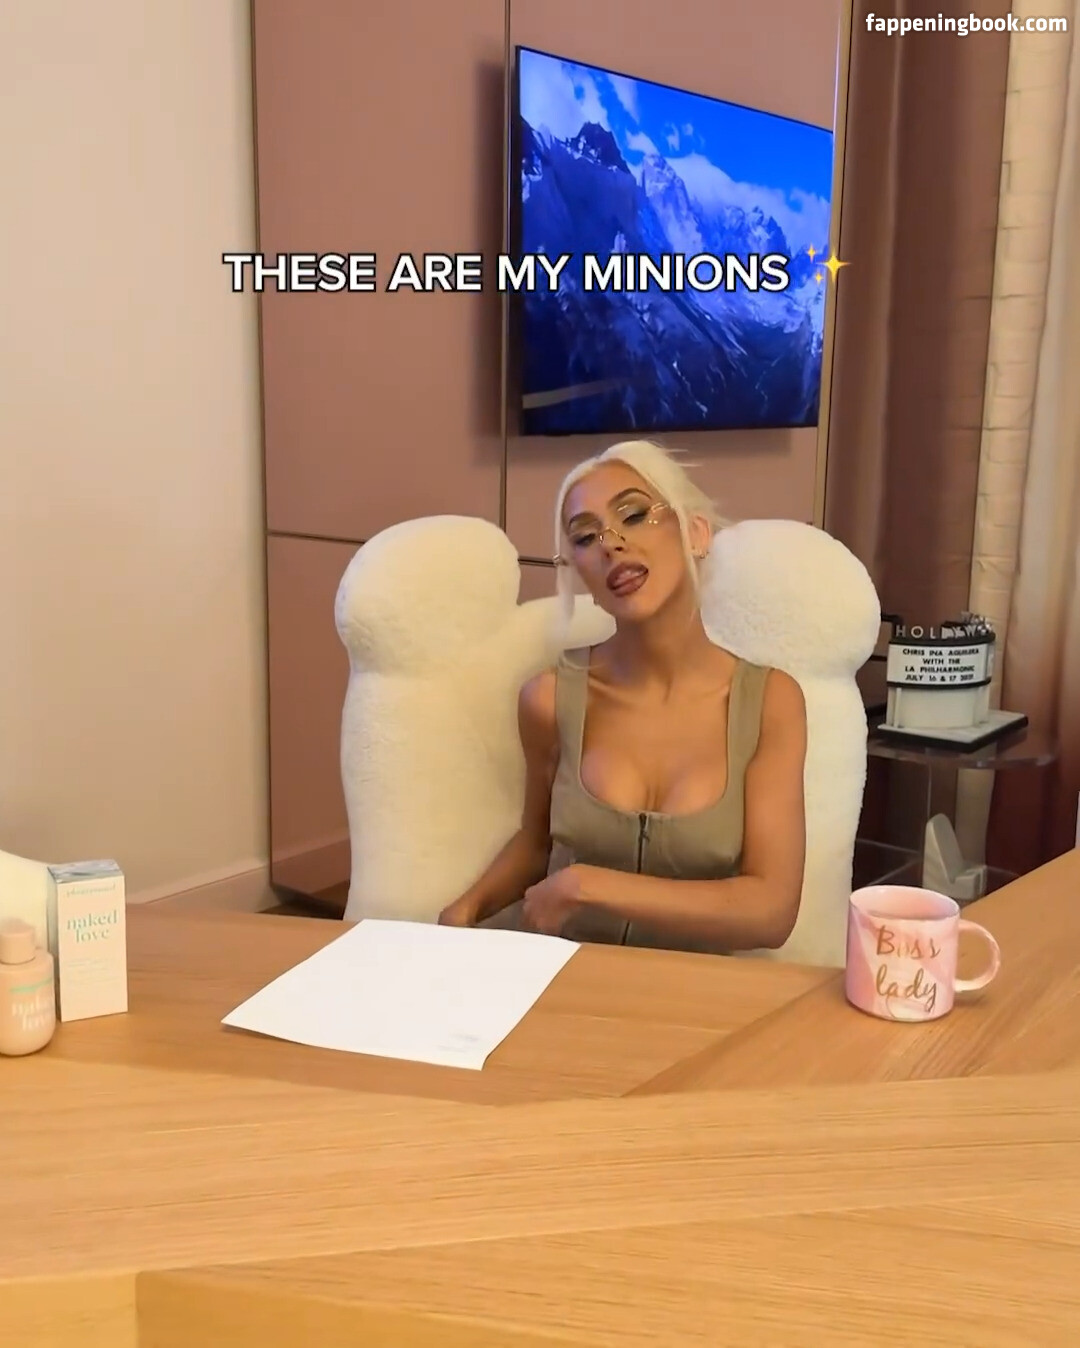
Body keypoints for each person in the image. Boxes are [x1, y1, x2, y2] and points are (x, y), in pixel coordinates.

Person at [438, 439, 807, 953]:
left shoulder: (770, 702)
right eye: (584, 537)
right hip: (557, 974)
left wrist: (589, 887)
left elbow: (771, 912)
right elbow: (534, 846)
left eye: (633, 515)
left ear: (695, 533)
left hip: (691, 991)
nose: (610, 544)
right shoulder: (548, 699)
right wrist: (462, 911)